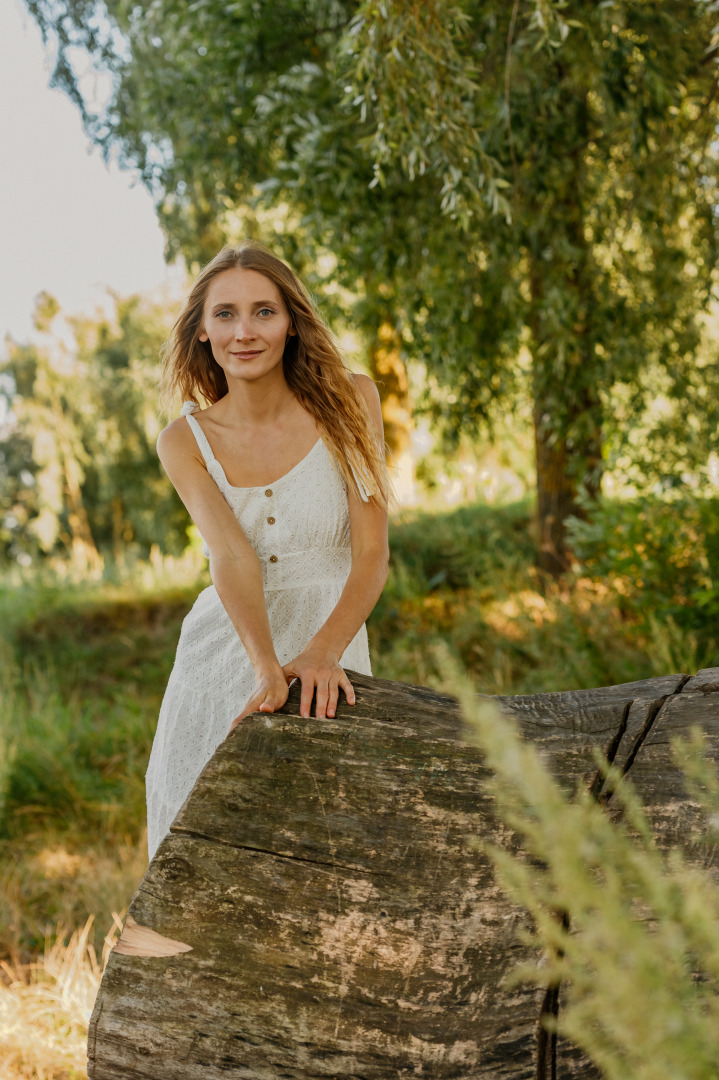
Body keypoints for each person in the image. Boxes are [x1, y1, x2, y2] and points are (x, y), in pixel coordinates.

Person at [145, 241, 390, 860]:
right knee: (202, 859)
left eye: (264, 311)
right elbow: (231, 557)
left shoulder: (351, 403)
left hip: (329, 654)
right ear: (201, 331)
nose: (244, 331)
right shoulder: (183, 440)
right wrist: (263, 667)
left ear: (291, 322)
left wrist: (321, 653)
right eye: (224, 314)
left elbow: (370, 555)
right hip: (225, 660)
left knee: (327, 851)